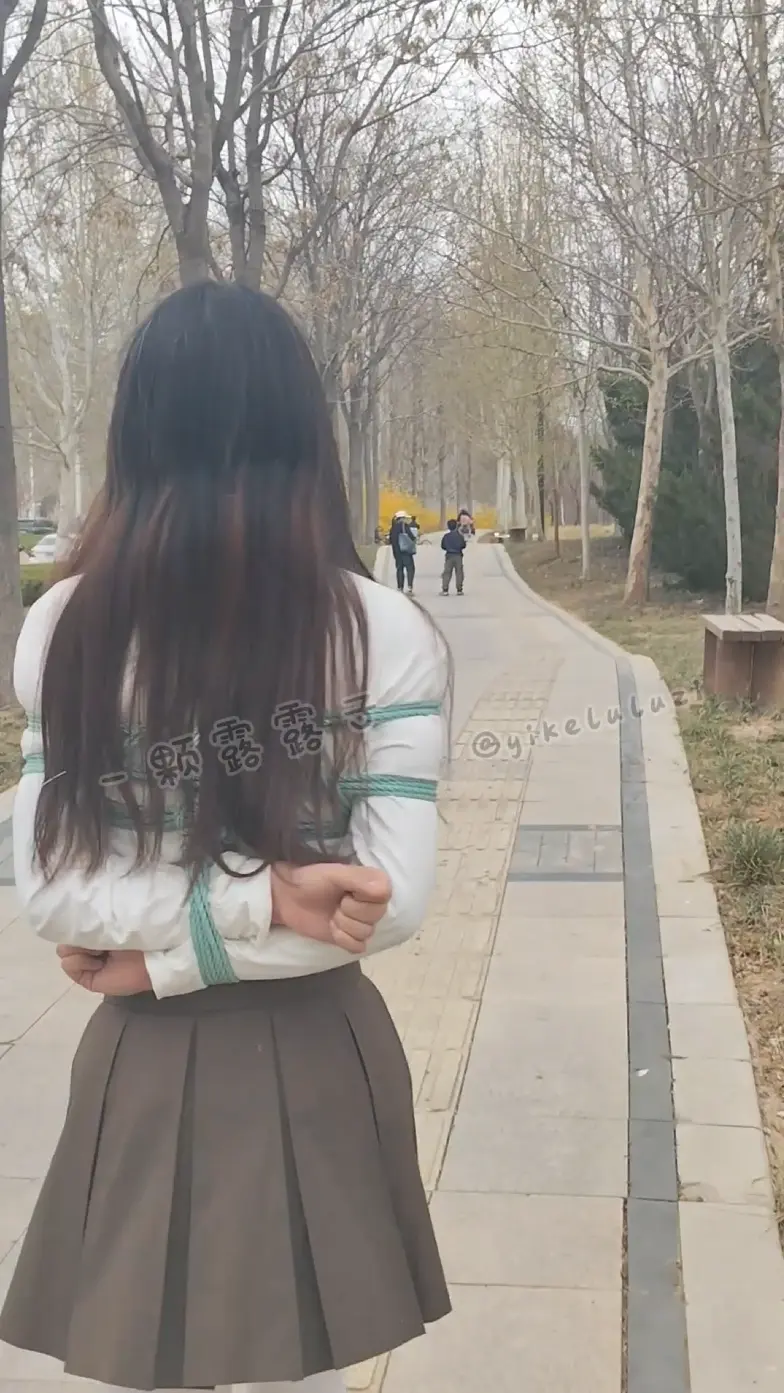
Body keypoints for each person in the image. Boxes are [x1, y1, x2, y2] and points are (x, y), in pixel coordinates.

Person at [0, 282, 452, 1393]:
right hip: (314, 1040)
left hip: (143, 1043)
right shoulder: (383, 631)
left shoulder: (67, 625)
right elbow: (378, 903)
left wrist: (159, 958)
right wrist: (266, 901)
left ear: (136, 436)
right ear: (305, 435)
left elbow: (61, 890)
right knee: (295, 1363)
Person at [389, 509, 416, 594]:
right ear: (402, 518)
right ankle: (409, 587)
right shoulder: (405, 526)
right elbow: (412, 537)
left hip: (397, 552)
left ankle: (400, 587)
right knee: (410, 568)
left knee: (399, 569)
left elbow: (391, 540)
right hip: (405, 551)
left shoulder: (392, 528)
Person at [441, 517, 466, 595]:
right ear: (456, 526)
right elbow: (463, 545)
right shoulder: (460, 536)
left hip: (449, 555)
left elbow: (443, 546)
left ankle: (445, 589)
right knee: (459, 572)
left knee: (447, 572)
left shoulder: (446, 536)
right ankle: (459, 589)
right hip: (458, 555)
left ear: (448, 527)